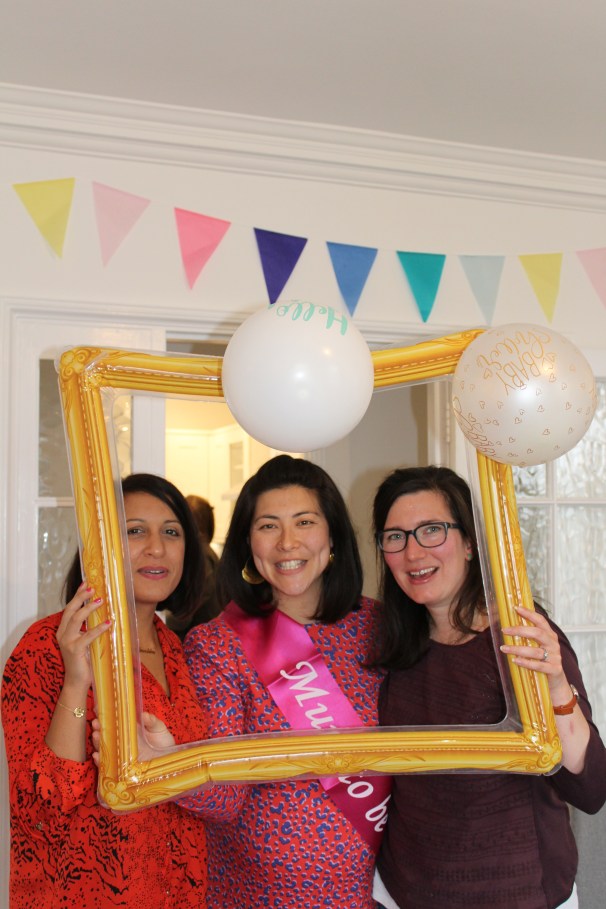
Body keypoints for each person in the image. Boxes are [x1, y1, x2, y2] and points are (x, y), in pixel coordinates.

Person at [371, 465, 606, 909]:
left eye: (432, 530)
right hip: (405, 890)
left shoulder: (519, 637)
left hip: (518, 893)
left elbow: (590, 788)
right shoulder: (391, 642)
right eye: (395, 536)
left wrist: (557, 685)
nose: (413, 552)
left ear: (470, 542)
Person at [1, 472, 229, 908]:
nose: (157, 548)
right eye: (135, 531)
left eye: (172, 532)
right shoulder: (47, 645)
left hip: (178, 893)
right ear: (100, 545)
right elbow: (42, 809)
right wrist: (76, 683)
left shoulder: (175, 649)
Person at [180, 454, 391, 909]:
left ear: (332, 536)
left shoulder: (379, 628)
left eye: (304, 522)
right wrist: (168, 762)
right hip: (254, 898)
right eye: (268, 526)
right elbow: (222, 798)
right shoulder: (216, 645)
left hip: (369, 894)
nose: (287, 542)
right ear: (247, 542)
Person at [166, 494, 221, 637]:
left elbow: (190, 604)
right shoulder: (203, 552)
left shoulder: (200, 555)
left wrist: (165, 627)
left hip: (200, 639)